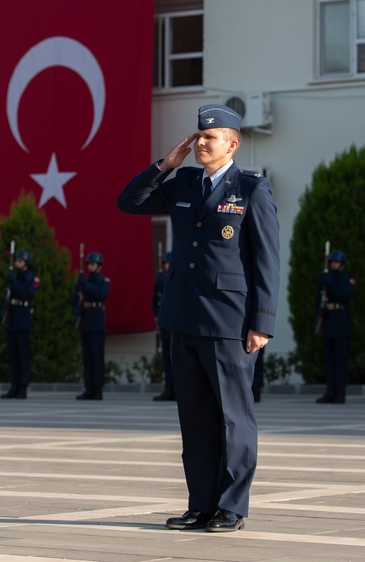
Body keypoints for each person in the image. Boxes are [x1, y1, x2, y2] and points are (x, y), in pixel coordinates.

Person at [117, 104, 280, 533]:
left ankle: (231, 506)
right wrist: (164, 166)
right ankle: (201, 504)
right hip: (183, 315)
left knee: (232, 417)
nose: (203, 143)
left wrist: (262, 322)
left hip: (230, 320)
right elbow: (128, 202)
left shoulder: (251, 188)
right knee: (194, 418)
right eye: (200, 136)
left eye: (212, 137)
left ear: (233, 143)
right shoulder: (184, 182)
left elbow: (267, 259)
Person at [315, 250, 355, 404]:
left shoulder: (346, 279)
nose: (334, 265)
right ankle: (330, 391)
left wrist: (330, 283)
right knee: (329, 360)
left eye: (337, 262)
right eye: (332, 262)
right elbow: (318, 300)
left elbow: (345, 295)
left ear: (342, 264)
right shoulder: (326, 279)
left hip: (341, 322)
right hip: (328, 321)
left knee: (340, 360)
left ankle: (340, 392)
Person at [73, 252, 110, 401]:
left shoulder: (103, 281)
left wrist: (85, 285)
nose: (90, 267)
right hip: (86, 321)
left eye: (93, 264)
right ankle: (88, 387)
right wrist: (77, 313)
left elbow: (100, 294)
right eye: (88, 264)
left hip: (97, 323)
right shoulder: (84, 282)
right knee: (87, 358)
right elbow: (75, 300)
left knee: (97, 357)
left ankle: (98, 389)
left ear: (100, 267)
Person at [1, 250, 38, 399]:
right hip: (13, 319)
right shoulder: (14, 278)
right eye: (16, 261)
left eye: (20, 261)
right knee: (13, 356)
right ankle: (14, 386)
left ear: (26, 263)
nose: (17, 264)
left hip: (23, 320)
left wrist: (13, 281)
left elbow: (26, 294)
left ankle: (22, 387)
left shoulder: (32, 279)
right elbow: (7, 298)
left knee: (23, 356)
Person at [152, 252, 175, 401]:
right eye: (165, 263)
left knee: (176, 361)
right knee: (167, 360)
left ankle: (178, 390)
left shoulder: (174, 278)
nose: (167, 266)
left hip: (176, 326)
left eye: (168, 263)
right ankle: (168, 388)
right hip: (165, 324)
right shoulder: (160, 280)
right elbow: (155, 302)